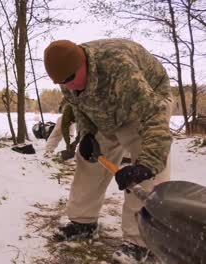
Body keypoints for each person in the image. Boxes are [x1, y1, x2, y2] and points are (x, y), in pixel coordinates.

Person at [43, 39, 173, 263]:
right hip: (106, 111)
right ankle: (83, 222)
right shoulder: (68, 77)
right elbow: (77, 105)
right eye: (62, 83)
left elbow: (154, 115)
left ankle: (139, 241)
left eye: (71, 79)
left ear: (83, 62)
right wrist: (87, 134)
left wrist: (147, 164)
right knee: (89, 161)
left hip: (146, 105)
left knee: (146, 174)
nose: (69, 86)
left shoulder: (119, 67)